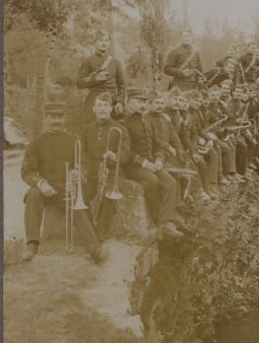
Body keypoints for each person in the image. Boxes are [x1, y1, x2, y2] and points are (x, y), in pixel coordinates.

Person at [20, 98, 105, 263]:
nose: (56, 121)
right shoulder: (37, 142)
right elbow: (27, 171)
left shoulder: (73, 141)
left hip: (66, 189)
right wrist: (41, 183)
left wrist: (79, 173)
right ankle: (31, 244)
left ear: (64, 118)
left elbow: (84, 164)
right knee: (32, 194)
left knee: (78, 204)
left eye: (59, 117)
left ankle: (94, 248)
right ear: (46, 118)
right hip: (45, 190)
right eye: (52, 117)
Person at [120, 89, 184, 237]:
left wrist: (159, 159)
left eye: (144, 102)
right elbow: (125, 151)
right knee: (153, 181)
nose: (142, 105)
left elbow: (157, 144)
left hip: (151, 163)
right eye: (138, 102)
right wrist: (143, 163)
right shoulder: (123, 122)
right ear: (128, 102)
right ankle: (157, 221)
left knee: (170, 182)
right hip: (131, 166)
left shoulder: (145, 121)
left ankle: (165, 221)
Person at [82, 92, 130, 241]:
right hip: (91, 172)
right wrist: (82, 170)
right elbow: (82, 153)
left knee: (109, 197)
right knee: (81, 198)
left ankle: (99, 236)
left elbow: (125, 151)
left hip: (112, 173)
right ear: (93, 109)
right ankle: (89, 231)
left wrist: (115, 156)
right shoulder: (87, 129)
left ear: (111, 109)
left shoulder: (120, 128)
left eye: (106, 105)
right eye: (99, 105)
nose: (102, 108)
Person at [77, 31, 126, 124]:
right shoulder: (88, 61)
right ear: (95, 42)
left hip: (112, 101)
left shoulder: (115, 62)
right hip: (94, 101)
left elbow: (122, 86)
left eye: (106, 40)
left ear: (109, 43)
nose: (104, 43)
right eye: (100, 40)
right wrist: (95, 79)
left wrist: (119, 101)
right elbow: (79, 83)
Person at [163, 26, 206, 92]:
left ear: (192, 38)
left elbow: (200, 70)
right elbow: (166, 69)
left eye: (189, 36)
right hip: (179, 86)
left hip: (193, 87)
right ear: (181, 37)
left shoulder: (195, 52)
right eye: (185, 36)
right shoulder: (175, 51)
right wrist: (181, 73)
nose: (187, 38)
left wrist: (200, 79)